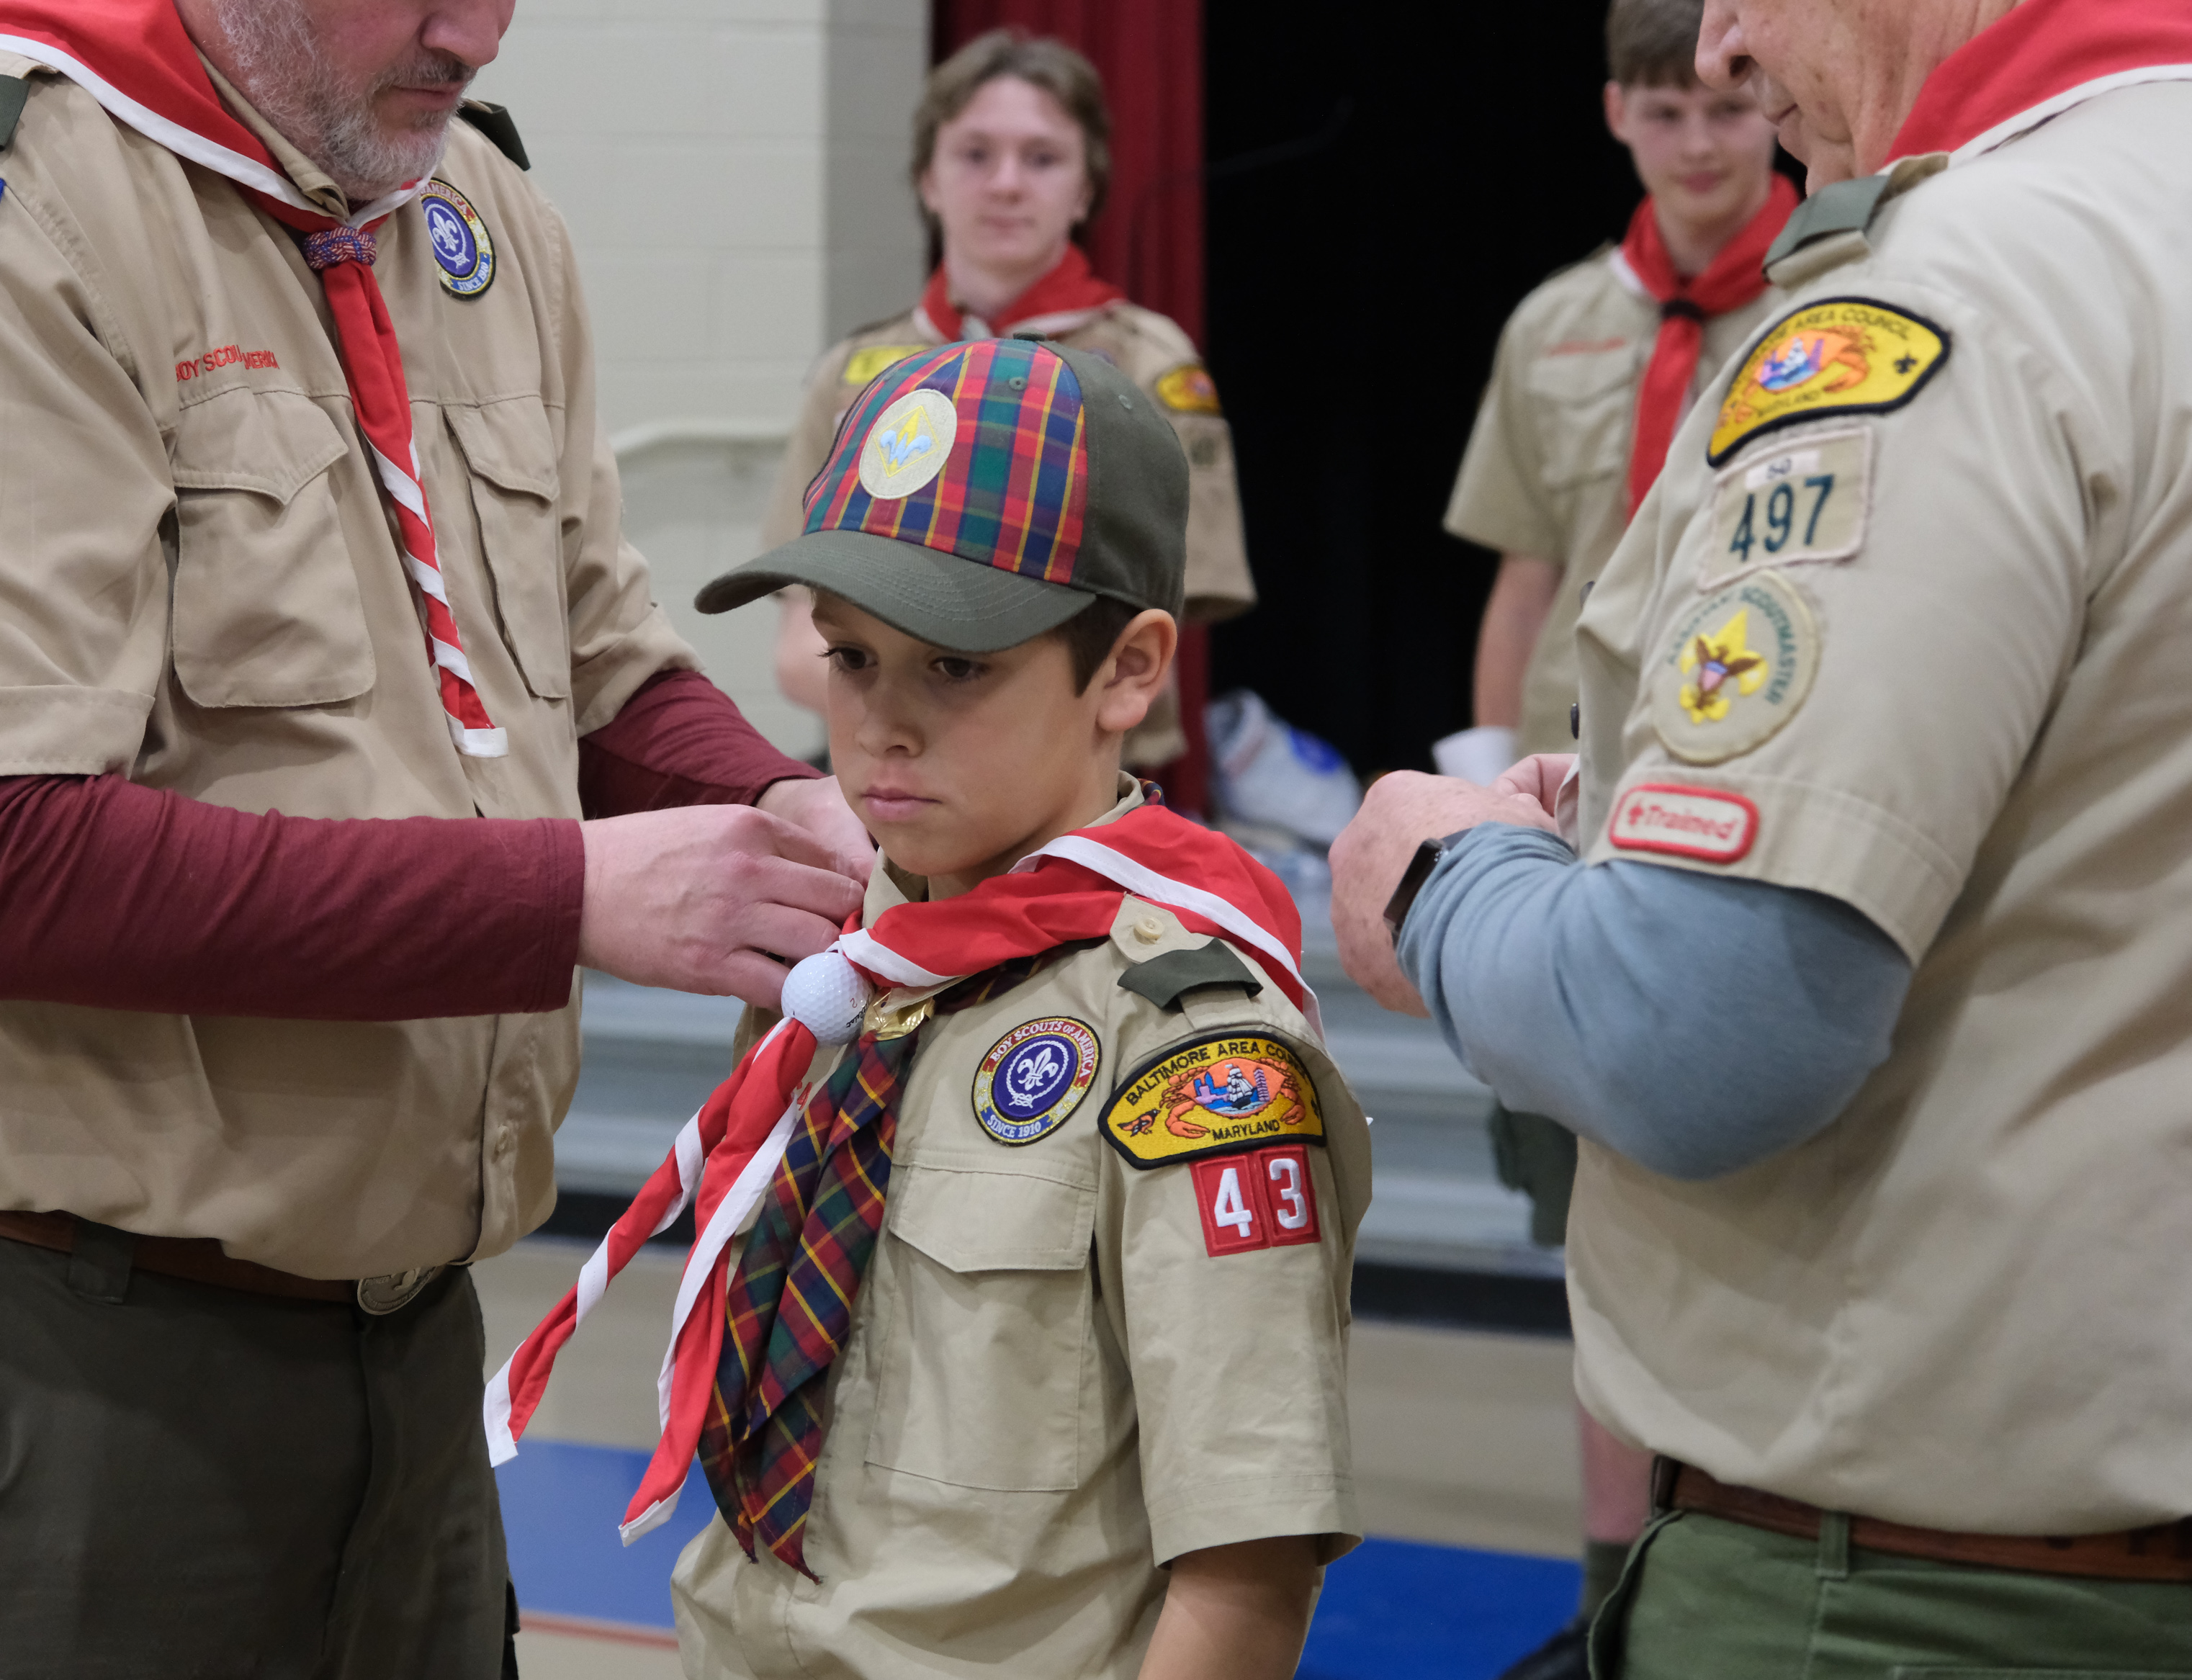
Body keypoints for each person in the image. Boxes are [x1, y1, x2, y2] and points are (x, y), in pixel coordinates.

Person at [0, 0, 873, 1673]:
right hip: (43, 1356)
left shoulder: (461, 205)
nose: (479, 29)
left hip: (403, 1338)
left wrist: (771, 802)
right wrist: (567, 895)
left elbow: (591, 654)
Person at [1331, 0, 2192, 1672]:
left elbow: (1699, 1024)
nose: (1720, 44)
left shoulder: (1961, 292)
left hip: (1935, 1597)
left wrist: (1435, 872)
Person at [493, 337, 1370, 1679]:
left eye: (957, 667)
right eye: (852, 656)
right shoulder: (852, 971)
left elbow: (1245, 1575)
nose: (882, 725)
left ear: (1129, 670)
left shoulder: (1192, 1046)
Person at [1436, 2, 1790, 1670]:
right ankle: (1604, 1596)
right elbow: (1525, 575)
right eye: (1663, 112)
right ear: (1614, 119)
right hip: (1572, 807)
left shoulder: (1852, 302)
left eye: (1724, 105)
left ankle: (1738, 1562)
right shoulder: (1558, 326)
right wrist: (1475, 772)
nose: (1698, 141)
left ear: (1768, 99)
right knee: (1587, 1219)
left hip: (1747, 792)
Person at [764, 29, 1254, 778]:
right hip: (895, 775)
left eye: (1042, 158)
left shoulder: (1148, 369)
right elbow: (801, 639)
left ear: (1085, 187)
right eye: (974, 154)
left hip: (1088, 789)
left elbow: (1153, 641)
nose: (1005, 184)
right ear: (927, 179)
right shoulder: (854, 376)